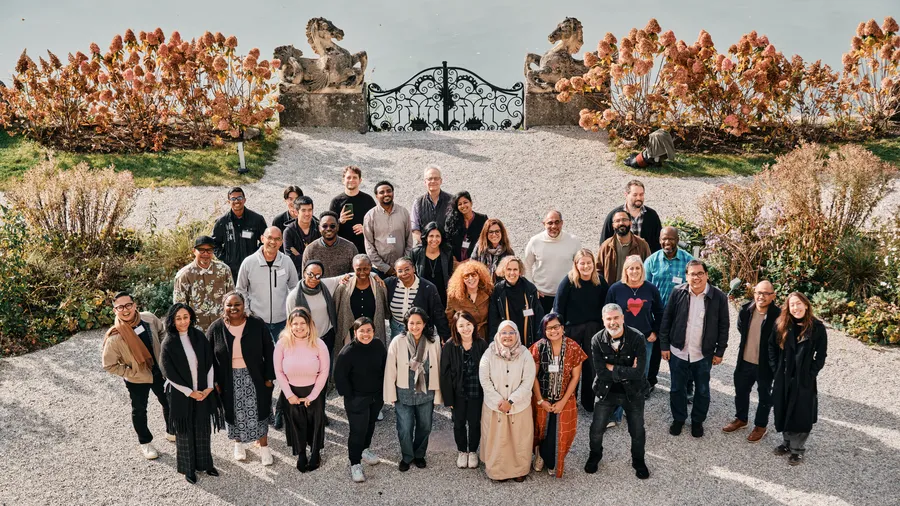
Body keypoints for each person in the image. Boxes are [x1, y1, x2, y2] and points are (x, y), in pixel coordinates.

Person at [660, 260, 730, 438]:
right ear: (686, 276)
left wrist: (720, 351)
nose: (696, 277)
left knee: (703, 389)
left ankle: (697, 421)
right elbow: (666, 320)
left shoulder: (719, 297)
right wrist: (664, 346)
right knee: (677, 388)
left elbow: (724, 326)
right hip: (678, 351)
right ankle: (679, 419)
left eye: (700, 273)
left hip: (703, 353)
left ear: (707, 275)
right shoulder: (678, 293)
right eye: (692, 274)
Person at [102, 291, 174, 460]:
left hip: (158, 370)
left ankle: (172, 431)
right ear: (115, 310)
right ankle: (145, 442)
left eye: (128, 305)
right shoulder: (115, 336)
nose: (125, 310)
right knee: (139, 410)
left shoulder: (148, 318)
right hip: (137, 378)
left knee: (168, 401)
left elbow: (163, 332)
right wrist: (130, 372)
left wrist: (164, 354)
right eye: (120, 307)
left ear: (134, 305)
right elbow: (109, 365)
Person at [207, 291, 276, 465]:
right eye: (229, 305)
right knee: (235, 412)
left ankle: (264, 446)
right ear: (223, 307)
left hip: (255, 376)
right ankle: (238, 443)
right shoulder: (216, 328)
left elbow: (269, 350)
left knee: (259, 411)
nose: (233, 308)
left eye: (237, 304)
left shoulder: (256, 324)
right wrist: (214, 381)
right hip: (228, 379)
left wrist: (269, 377)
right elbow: (208, 358)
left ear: (244, 305)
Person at [584, 303, 650, 479]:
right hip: (606, 392)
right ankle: (595, 455)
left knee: (637, 431)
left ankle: (638, 460)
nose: (613, 322)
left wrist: (613, 368)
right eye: (609, 319)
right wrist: (626, 371)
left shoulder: (637, 338)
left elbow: (639, 372)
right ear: (603, 321)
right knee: (597, 429)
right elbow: (601, 373)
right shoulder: (596, 340)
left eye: (615, 318)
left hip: (633, 392)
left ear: (622, 318)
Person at [159, 303, 222, 484]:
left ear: (191, 317)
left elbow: (209, 362)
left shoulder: (198, 336)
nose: (183, 321)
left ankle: (206, 464)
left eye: (185, 317)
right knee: (185, 430)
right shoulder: (168, 342)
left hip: (203, 391)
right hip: (181, 395)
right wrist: (190, 393)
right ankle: (189, 469)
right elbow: (169, 374)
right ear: (171, 320)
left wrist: (209, 387)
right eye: (178, 318)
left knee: (202, 427)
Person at [769, 292, 827, 466]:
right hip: (783, 375)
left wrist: (811, 373)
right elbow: (771, 347)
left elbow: (821, 355)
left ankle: (797, 449)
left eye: (799, 304)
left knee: (801, 413)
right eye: (792, 304)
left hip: (803, 377)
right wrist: (775, 369)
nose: (796, 308)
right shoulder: (781, 324)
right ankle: (787, 443)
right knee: (784, 408)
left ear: (806, 305)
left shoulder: (817, 328)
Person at [384, 307, 443, 471]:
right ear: (406, 324)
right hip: (404, 390)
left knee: (425, 426)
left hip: (426, 391)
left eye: (418, 323)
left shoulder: (433, 341)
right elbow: (390, 369)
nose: (415, 326)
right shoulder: (398, 341)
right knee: (404, 427)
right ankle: (407, 456)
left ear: (424, 324)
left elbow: (437, 366)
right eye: (411, 323)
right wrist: (390, 394)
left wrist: (439, 394)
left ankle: (419, 454)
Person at [605, 255, 662, 426]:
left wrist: (655, 332)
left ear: (642, 270)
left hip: (645, 339)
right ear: (626, 270)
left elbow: (660, 312)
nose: (634, 271)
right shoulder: (616, 289)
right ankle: (615, 415)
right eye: (631, 268)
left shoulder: (651, 289)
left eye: (638, 268)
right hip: (620, 339)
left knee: (639, 376)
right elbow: (607, 313)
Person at [530, 313, 587, 478]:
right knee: (539, 429)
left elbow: (576, 377)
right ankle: (539, 454)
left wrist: (563, 401)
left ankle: (554, 460)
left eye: (556, 327)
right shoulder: (538, 347)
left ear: (563, 328)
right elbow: (532, 375)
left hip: (565, 399)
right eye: (549, 328)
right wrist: (540, 400)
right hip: (543, 398)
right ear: (544, 330)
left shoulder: (574, 347)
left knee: (560, 432)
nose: (553, 331)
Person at [723, 280, 781, 442]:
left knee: (764, 396)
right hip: (745, 360)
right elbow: (742, 329)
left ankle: (760, 426)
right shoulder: (745, 310)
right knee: (741, 391)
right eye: (758, 293)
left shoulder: (779, 316)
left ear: (773, 296)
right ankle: (741, 419)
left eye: (765, 293)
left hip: (766, 365)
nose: (761, 296)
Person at [479, 320, 536, 482]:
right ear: (498, 334)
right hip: (495, 406)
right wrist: (499, 401)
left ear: (517, 335)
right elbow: (485, 380)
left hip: (519, 406)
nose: (508, 336)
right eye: (504, 332)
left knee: (519, 440)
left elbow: (528, 382)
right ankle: (497, 472)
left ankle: (519, 470)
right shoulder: (489, 353)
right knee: (497, 441)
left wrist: (510, 401)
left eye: (512, 333)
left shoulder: (525, 354)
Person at [274, 308, 329, 472]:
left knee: (315, 422)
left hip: (314, 390)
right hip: (291, 391)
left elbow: (325, 371)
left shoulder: (319, 343)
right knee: (296, 423)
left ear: (309, 324)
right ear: (289, 325)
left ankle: (315, 453)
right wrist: (289, 395)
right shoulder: (282, 344)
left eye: (302, 323)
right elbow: (278, 371)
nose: (299, 327)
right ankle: (301, 454)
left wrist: (313, 395)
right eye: (295, 324)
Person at [553, 248, 609, 411]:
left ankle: (589, 401)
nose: (586, 266)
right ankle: (569, 400)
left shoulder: (600, 282)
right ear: (576, 265)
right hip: (572, 330)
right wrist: (559, 330)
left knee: (592, 366)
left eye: (589, 263)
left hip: (593, 329)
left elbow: (606, 307)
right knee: (570, 367)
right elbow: (558, 308)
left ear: (594, 264)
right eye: (582, 263)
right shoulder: (568, 282)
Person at [334, 317, 388, 483]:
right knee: (357, 431)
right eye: (362, 331)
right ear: (355, 332)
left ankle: (365, 450)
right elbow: (339, 377)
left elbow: (385, 367)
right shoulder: (347, 352)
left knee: (370, 426)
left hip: (376, 397)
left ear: (374, 331)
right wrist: (350, 396)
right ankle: (355, 463)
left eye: (369, 330)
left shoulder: (378, 345)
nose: (366, 334)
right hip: (357, 399)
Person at [642, 226, 693, 392]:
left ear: (677, 240)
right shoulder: (651, 261)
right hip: (657, 314)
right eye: (664, 238)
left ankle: (686, 387)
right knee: (655, 350)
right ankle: (649, 383)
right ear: (659, 240)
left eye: (671, 238)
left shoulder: (688, 261)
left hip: (680, 315)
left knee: (681, 351)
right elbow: (645, 288)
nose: (667, 242)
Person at [440, 311, 489, 469]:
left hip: (476, 391)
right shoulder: (449, 345)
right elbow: (444, 374)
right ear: (456, 327)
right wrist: (448, 398)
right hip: (458, 392)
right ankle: (462, 451)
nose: (466, 328)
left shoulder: (481, 344)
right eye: (461, 325)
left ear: (474, 325)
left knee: (475, 422)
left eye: (468, 324)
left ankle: (473, 451)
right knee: (459, 422)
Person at [235, 226, 300, 340]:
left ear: (281, 242)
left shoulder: (287, 262)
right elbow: (240, 290)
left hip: (282, 322)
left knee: (280, 355)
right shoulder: (249, 262)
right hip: (257, 321)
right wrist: (248, 312)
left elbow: (294, 287)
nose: (273, 242)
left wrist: (290, 312)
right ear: (262, 239)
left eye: (277, 239)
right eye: (269, 238)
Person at [523, 210, 582, 316]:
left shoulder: (573, 241)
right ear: (544, 224)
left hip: (565, 293)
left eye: (557, 222)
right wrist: (532, 287)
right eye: (550, 223)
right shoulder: (535, 241)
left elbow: (580, 265)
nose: (554, 226)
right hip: (541, 295)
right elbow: (526, 266)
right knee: (540, 328)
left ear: (562, 223)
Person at [173, 236, 236, 331]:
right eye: (201, 250)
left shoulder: (223, 270)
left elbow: (232, 297)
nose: (205, 253)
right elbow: (179, 306)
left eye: (209, 250)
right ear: (194, 251)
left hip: (221, 326)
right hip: (197, 329)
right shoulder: (184, 275)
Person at [333, 255, 390, 356]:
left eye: (366, 269)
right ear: (353, 268)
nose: (362, 272)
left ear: (370, 267)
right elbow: (335, 310)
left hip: (373, 333)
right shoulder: (343, 287)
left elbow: (385, 312)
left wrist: (374, 275)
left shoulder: (379, 286)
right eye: (358, 269)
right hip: (349, 334)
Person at [285, 260, 338, 365]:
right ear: (304, 273)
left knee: (326, 369)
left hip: (327, 338)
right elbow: (290, 323)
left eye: (318, 276)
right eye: (310, 274)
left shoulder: (326, 285)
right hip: (306, 341)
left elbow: (351, 275)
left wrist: (374, 274)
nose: (314, 279)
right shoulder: (294, 297)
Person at [385, 257, 451, 340]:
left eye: (407, 269)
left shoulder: (428, 287)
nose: (404, 273)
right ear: (396, 273)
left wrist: (445, 336)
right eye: (400, 271)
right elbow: (371, 281)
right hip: (397, 329)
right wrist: (375, 275)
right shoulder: (389, 283)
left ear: (414, 269)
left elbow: (438, 312)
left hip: (420, 331)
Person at [212, 187, 268, 281]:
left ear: (244, 200)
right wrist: (226, 258)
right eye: (233, 199)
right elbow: (214, 244)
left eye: (239, 198)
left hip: (253, 268)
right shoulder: (222, 222)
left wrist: (257, 255)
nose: (237, 201)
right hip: (231, 271)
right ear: (228, 201)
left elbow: (266, 240)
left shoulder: (257, 219)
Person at [488, 256, 544, 347]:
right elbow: (493, 320)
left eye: (515, 269)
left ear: (520, 271)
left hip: (527, 339)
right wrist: (492, 343)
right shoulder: (497, 291)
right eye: (509, 269)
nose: (512, 273)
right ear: (503, 271)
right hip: (506, 339)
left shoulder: (530, 289)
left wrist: (538, 343)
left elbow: (538, 318)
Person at [363, 180, 414, 278]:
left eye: (389, 191)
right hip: (379, 271)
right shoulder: (370, 216)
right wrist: (385, 268)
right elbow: (369, 245)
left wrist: (403, 263)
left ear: (393, 193)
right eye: (382, 192)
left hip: (402, 271)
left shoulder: (403, 212)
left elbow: (409, 241)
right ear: (376, 196)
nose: (386, 194)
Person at [599, 180, 662, 253]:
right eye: (635, 195)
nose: (639, 198)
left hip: (644, 261)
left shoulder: (652, 216)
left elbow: (658, 243)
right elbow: (603, 243)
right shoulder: (614, 216)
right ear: (626, 195)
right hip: (620, 261)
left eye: (641, 194)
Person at [330, 165, 377, 255]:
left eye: (355, 177)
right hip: (342, 250)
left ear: (360, 180)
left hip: (364, 250)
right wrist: (340, 221)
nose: (351, 180)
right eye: (348, 177)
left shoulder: (368, 200)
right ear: (343, 180)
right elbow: (329, 227)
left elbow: (377, 224)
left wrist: (365, 229)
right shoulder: (336, 201)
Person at [596, 210, 651, 285]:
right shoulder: (606, 246)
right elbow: (598, 270)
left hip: (635, 291)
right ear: (613, 225)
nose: (621, 223)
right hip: (611, 292)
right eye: (617, 221)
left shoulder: (642, 245)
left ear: (630, 223)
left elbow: (648, 269)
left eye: (624, 220)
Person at [445, 260, 493, 339]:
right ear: (462, 279)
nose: (470, 279)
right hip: (465, 337)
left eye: (473, 275)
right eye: (466, 276)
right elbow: (449, 318)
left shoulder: (488, 291)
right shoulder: (454, 296)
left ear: (479, 275)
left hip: (487, 335)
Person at [409, 221, 454, 306]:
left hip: (442, 295)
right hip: (422, 294)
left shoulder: (447, 252)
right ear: (425, 237)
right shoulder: (416, 252)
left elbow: (449, 273)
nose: (434, 239)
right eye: (431, 236)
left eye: (437, 236)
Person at [302, 211, 359, 277]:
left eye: (332, 226)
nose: (328, 229)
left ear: (337, 227)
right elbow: (305, 278)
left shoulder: (350, 248)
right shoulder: (310, 250)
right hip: (319, 287)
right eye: (324, 226)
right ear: (319, 228)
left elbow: (355, 276)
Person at [410, 164, 452, 244]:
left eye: (436, 178)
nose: (433, 181)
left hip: (447, 249)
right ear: (425, 182)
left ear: (441, 181)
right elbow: (415, 229)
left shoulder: (452, 201)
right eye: (430, 178)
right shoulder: (418, 203)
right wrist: (428, 244)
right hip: (425, 249)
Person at [445, 191, 488, 262]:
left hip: (475, 261)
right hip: (454, 262)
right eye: (460, 204)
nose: (463, 206)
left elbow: (485, 242)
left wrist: (469, 260)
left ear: (471, 203)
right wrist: (454, 261)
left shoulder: (482, 219)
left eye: (465, 202)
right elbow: (447, 241)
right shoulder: (452, 221)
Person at [283, 196, 320, 274]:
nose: (307, 214)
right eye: (303, 210)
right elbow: (290, 259)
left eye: (310, 210)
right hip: (297, 274)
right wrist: (311, 255)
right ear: (296, 212)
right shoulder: (289, 232)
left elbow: (323, 254)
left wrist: (300, 255)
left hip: (318, 273)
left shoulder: (319, 228)